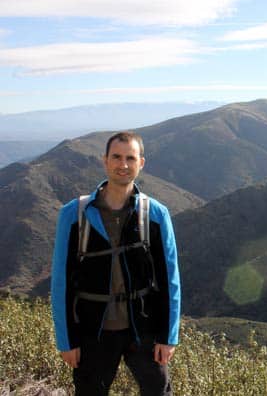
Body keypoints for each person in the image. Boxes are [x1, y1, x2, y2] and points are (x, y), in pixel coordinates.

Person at [51, 131, 181, 396]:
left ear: (141, 163)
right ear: (105, 161)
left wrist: (168, 337)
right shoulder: (74, 215)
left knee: (158, 391)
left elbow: (171, 280)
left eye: (130, 158)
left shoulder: (155, 214)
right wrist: (67, 341)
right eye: (117, 157)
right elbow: (60, 282)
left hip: (143, 328)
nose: (123, 164)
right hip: (92, 331)